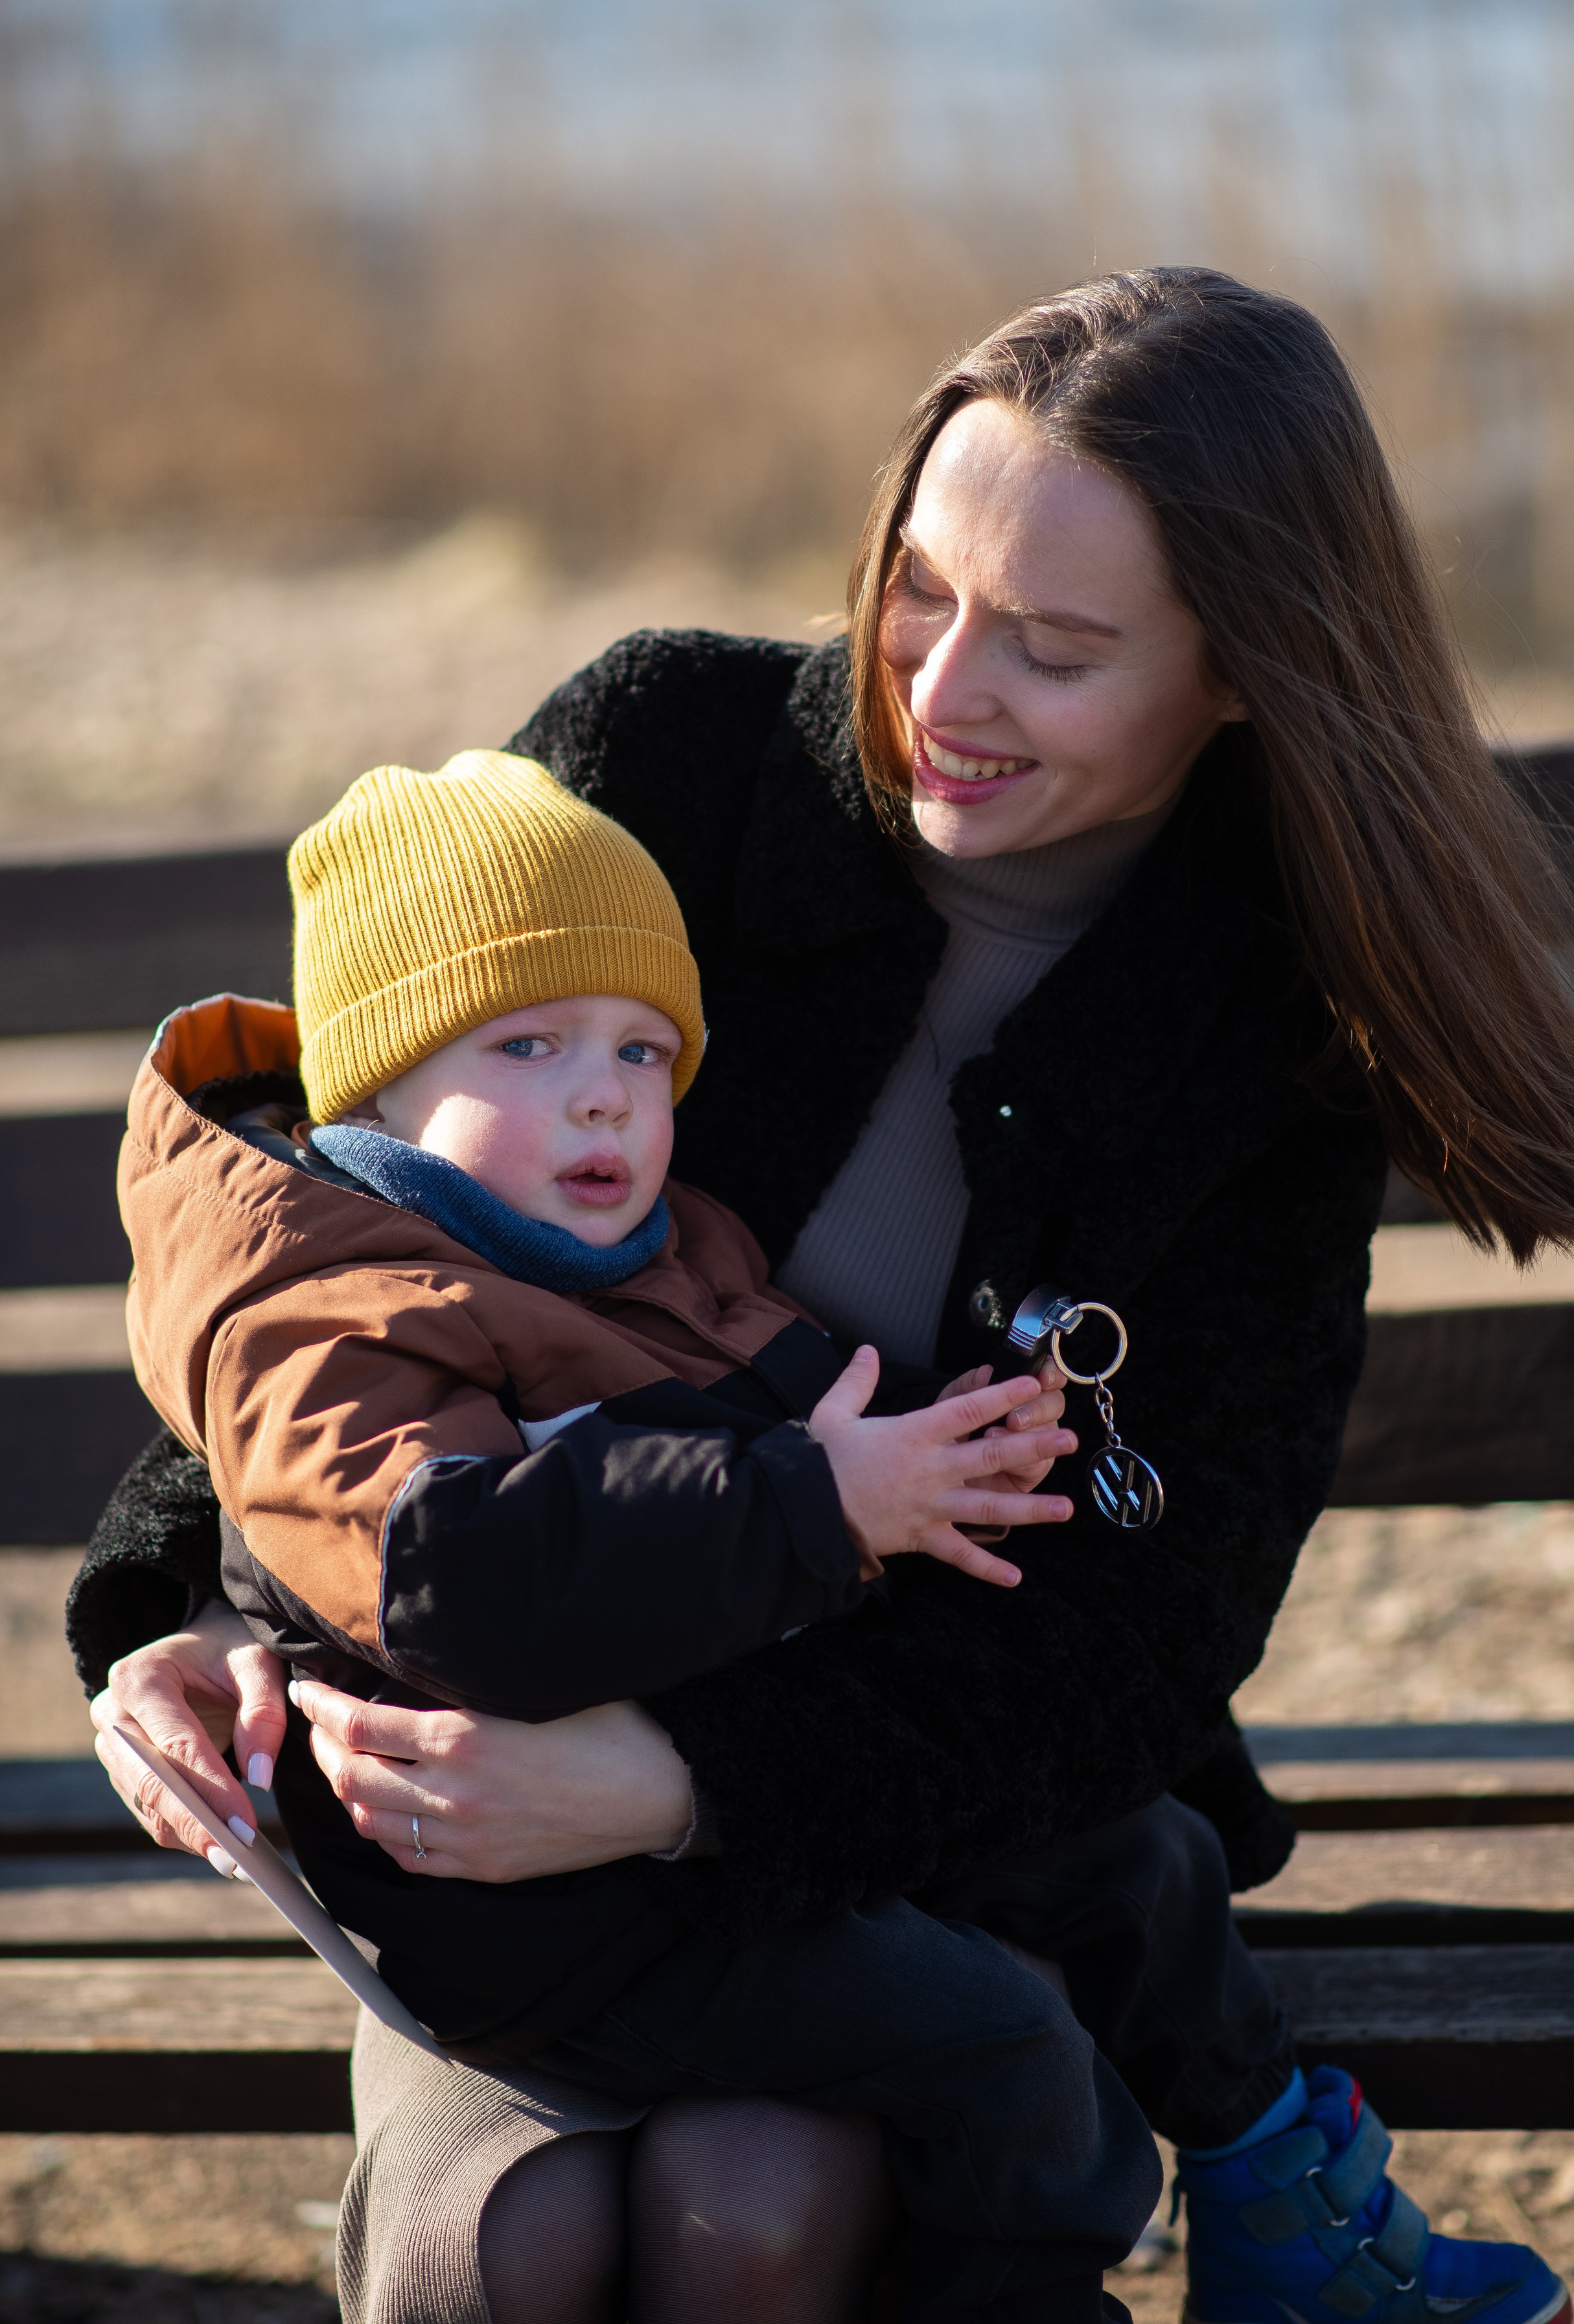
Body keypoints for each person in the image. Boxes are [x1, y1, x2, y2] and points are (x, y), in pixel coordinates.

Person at [76, 270, 1574, 2324]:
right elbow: (331, 1217)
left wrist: (681, 1781)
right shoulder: (676, 748)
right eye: (922, 590)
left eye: (1060, 648)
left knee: (761, 2208)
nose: (946, 688)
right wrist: (175, 1614)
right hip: (464, 1779)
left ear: (1245, 671)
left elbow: (1138, 1643)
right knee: (508, 2251)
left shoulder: (1259, 1032)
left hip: (914, 1801)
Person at [119, 747, 1153, 2321]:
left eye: (642, 1049)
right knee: (1008, 2057)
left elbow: (762, 1396)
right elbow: (451, 1574)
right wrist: (815, 1501)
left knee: (1135, 1861)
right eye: (528, 1043)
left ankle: (1260, 2145)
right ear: (377, 1087)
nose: (604, 1089)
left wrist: (938, 1453)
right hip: (524, 1914)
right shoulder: (331, 1311)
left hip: (675, 1831)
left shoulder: (634, 1241)